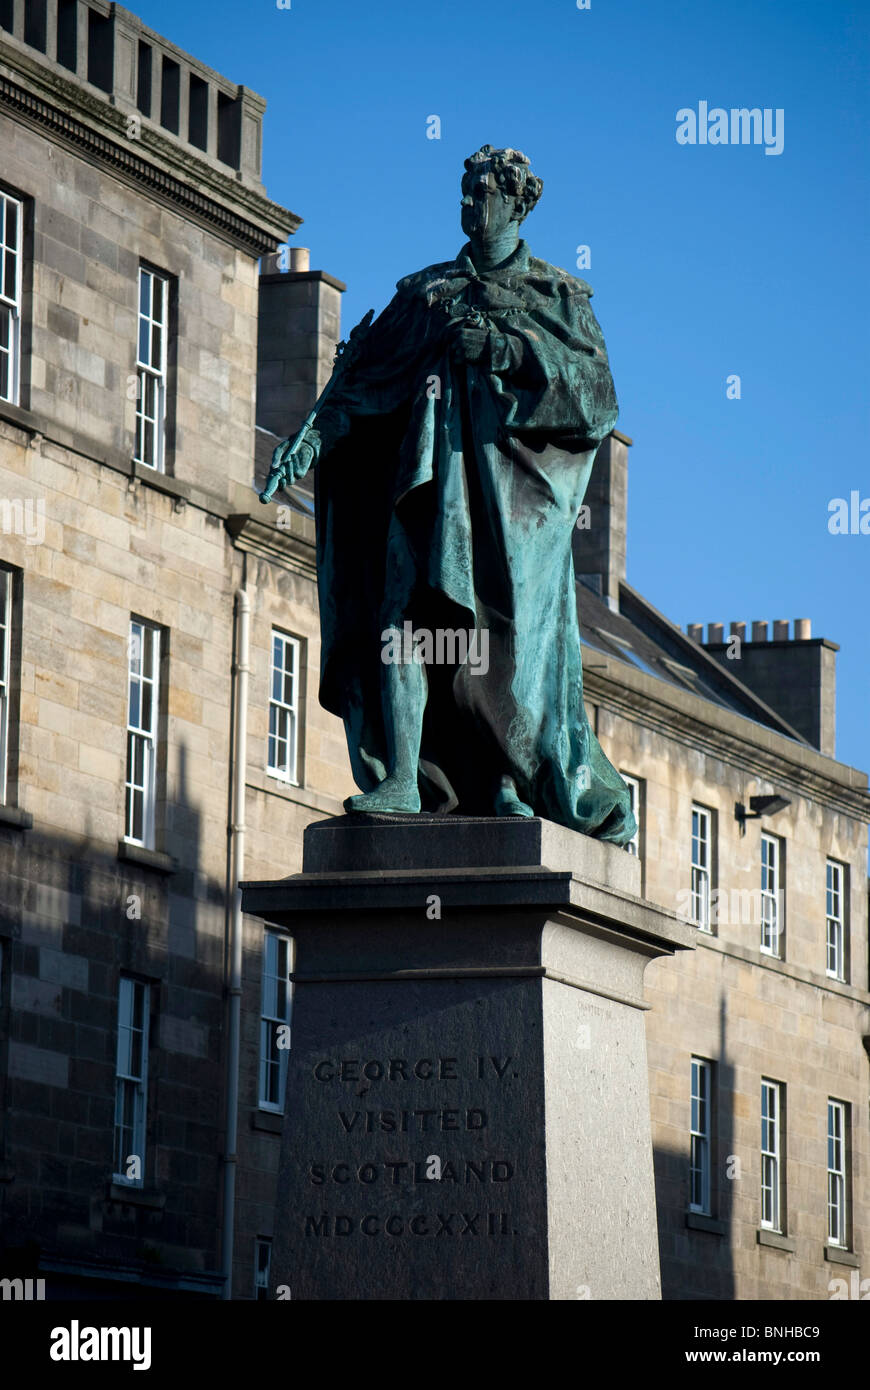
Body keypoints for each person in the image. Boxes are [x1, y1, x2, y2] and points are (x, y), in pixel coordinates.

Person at [267, 144, 636, 844]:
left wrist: (507, 351)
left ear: (516, 203)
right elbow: (363, 387)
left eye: (480, 195)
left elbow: (598, 401)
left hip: (510, 505)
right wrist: (313, 441)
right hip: (426, 490)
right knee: (404, 619)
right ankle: (404, 777)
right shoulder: (427, 294)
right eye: (463, 194)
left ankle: (505, 780)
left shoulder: (557, 298)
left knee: (495, 641)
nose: (468, 207)